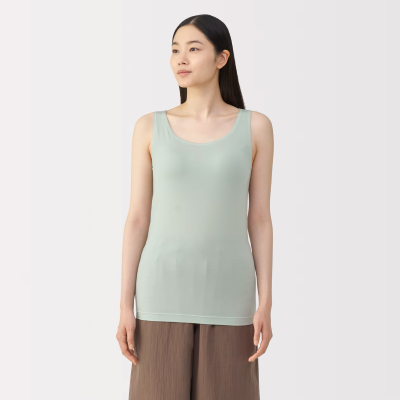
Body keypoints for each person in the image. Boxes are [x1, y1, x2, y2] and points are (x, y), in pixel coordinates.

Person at [116, 14, 274, 400]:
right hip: (159, 294)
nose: (180, 59)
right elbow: (137, 219)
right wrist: (124, 305)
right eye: (175, 50)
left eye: (193, 48)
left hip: (230, 295)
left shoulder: (255, 127)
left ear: (222, 58)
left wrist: (266, 300)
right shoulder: (149, 127)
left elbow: (259, 219)